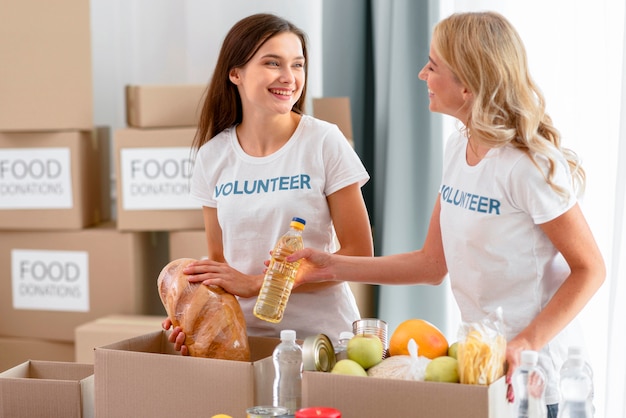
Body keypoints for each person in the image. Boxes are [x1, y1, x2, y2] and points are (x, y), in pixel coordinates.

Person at [286, 11, 604, 418]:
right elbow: (432, 264)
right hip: (481, 366)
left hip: (539, 379)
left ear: (468, 84)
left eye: (433, 66)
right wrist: (329, 265)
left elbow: (590, 268)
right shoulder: (459, 147)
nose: (422, 74)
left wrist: (527, 342)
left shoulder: (529, 165)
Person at [162, 13, 373, 351]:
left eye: (298, 65)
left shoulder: (323, 141)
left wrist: (257, 283)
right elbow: (220, 266)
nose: (289, 78)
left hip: (322, 343)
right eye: (273, 63)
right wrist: (193, 313)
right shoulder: (213, 156)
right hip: (243, 341)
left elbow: (359, 255)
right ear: (236, 73)